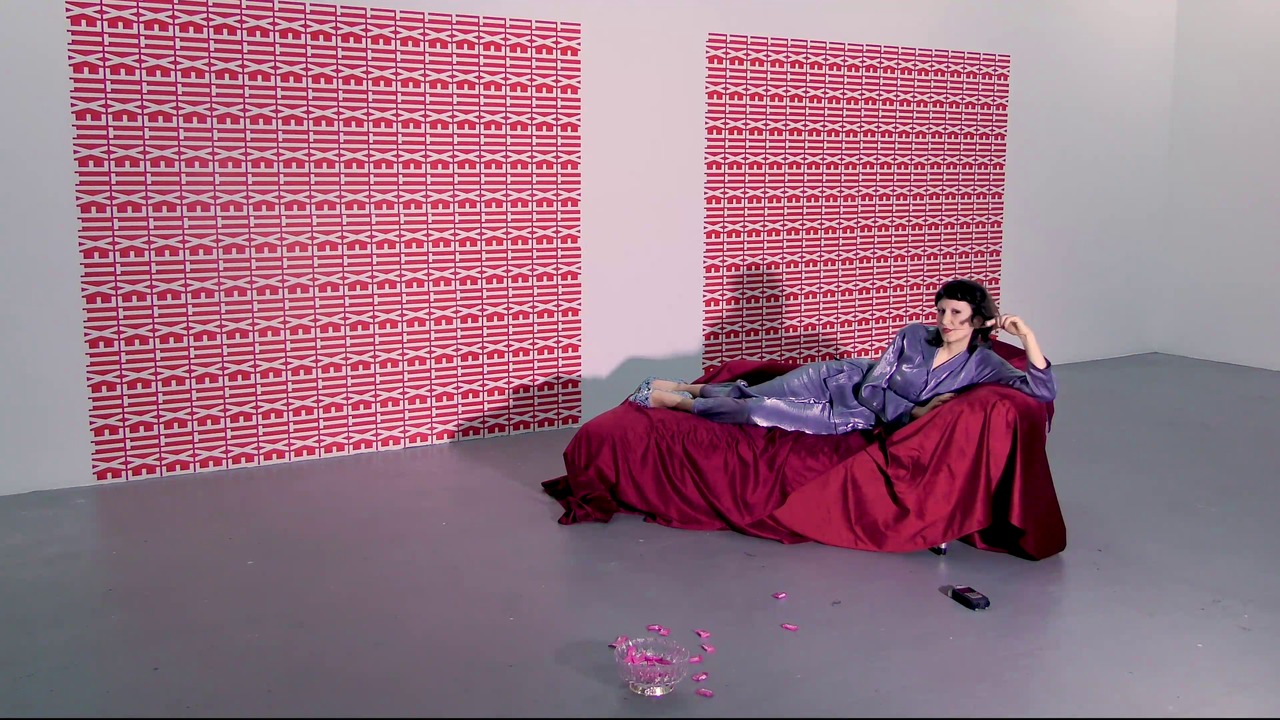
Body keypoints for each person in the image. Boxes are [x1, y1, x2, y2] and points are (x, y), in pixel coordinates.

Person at [626, 278, 1057, 435]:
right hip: (842, 378)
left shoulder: (984, 364)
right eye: (941, 310)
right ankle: (685, 386)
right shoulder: (913, 335)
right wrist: (915, 410)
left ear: (978, 320)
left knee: (757, 409)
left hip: (850, 415)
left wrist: (1028, 337)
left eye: (956, 314)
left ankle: (674, 401)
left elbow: (1041, 391)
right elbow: (872, 383)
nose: (944, 320)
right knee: (761, 388)